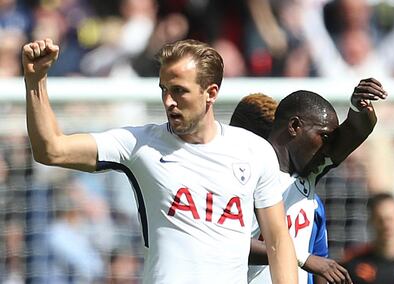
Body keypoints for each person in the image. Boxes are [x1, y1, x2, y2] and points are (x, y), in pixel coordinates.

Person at [22, 38, 298, 283]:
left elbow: (277, 240)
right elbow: (51, 149)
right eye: (163, 89)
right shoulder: (139, 144)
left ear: (211, 93)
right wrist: (36, 81)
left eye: (179, 91)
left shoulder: (254, 151)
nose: (168, 101)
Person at [229, 77, 387, 284]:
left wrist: (357, 105)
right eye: (324, 137)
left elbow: (357, 130)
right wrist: (304, 259)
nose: (328, 148)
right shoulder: (243, 173)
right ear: (294, 126)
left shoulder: (308, 173)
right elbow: (226, 240)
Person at [341, 192, 394, 284]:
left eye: (391, 218)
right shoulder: (355, 263)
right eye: (380, 220)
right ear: (372, 222)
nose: (387, 225)